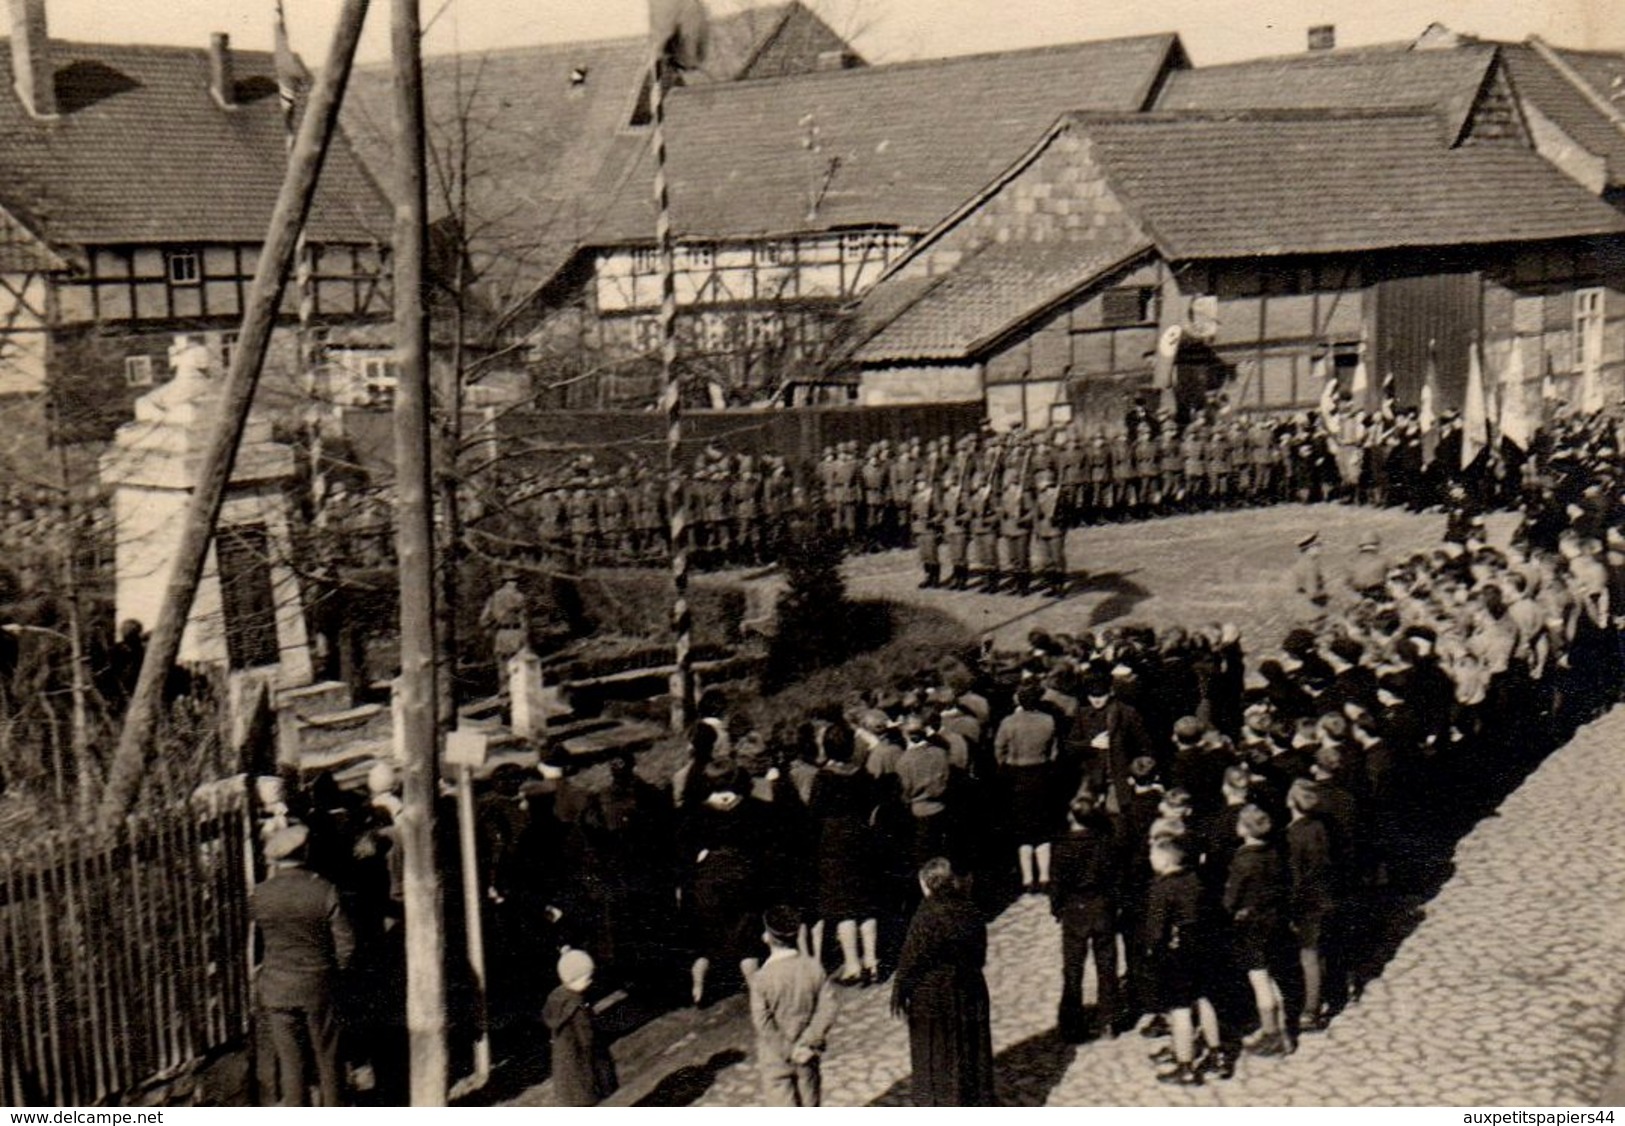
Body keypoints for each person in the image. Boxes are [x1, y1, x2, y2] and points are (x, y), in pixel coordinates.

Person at [251, 823, 355, 1107]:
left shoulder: (260, 894)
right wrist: (334, 973)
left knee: (290, 1063)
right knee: (328, 1059)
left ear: (275, 859)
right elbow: (346, 943)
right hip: (318, 986)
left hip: (276, 987)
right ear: (306, 851)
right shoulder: (323, 890)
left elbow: (257, 943)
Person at [891, 859, 996, 1106]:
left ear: (928, 884)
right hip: (969, 987)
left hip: (934, 994)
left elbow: (911, 958)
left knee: (935, 1052)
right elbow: (980, 953)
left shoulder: (927, 914)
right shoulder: (969, 908)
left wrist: (901, 992)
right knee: (969, 1047)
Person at [749, 905, 840, 1107]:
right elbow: (828, 1007)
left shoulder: (762, 978)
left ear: (767, 937)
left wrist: (788, 1050)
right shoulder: (813, 967)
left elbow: (762, 1021)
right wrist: (808, 1041)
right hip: (807, 1054)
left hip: (776, 1057)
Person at [1048, 788, 1120, 1042]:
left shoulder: (1063, 847)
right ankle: (1109, 1020)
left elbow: (1056, 883)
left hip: (1075, 909)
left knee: (1073, 968)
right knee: (1107, 964)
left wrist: (1056, 908)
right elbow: (1113, 877)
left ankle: (1072, 1024)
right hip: (1102, 906)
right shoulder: (1104, 843)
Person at [994, 682, 1059, 893]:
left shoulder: (1008, 722)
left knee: (1022, 829)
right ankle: (1045, 875)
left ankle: (1028, 878)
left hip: (1017, 776)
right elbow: (1054, 752)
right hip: (1041, 775)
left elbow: (999, 749)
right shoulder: (1048, 721)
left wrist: (1004, 766)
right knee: (1042, 827)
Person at [543, 948, 618, 1106]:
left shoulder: (557, 999)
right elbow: (587, 1036)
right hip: (582, 1064)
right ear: (573, 979)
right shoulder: (577, 1006)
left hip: (565, 1066)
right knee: (587, 1098)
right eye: (586, 978)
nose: (590, 982)